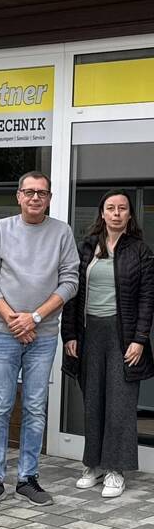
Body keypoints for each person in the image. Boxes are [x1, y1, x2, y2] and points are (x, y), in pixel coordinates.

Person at [0, 171, 79, 508]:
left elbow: (69, 283)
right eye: (29, 192)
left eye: (42, 193)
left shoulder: (61, 233)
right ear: (18, 196)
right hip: (3, 333)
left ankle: (27, 478)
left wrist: (33, 318)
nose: (36, 198)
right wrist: (13, 319)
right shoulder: (1, 229)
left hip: (43, 335)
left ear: (49, 198)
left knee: (35, 407)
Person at [62, 189, 154, 498]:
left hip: (123, 334)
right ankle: (94, 464)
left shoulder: (139, 250)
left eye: (122, 208)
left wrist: (140, 339)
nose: (116, 213)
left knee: (120, 403)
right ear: (102, 213)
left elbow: (146, 299)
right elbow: (71, 293)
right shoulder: (87, 247)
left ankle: (116, 469)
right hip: (90, 333)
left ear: (129, 214)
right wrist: (70, 334)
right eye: (110, 208)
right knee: (94, 402)